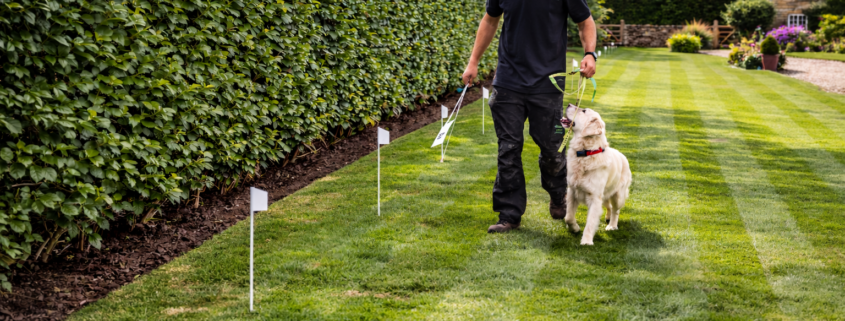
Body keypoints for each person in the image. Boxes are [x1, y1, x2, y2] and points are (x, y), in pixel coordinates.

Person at [461, 0, 598, 233]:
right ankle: (509, 214)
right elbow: (489, 20)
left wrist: (590, 54)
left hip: (548, 83)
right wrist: (473, 62)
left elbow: (585, 22)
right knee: (508, 148)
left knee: (552, 150)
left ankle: (558, 194)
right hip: (508, 81)